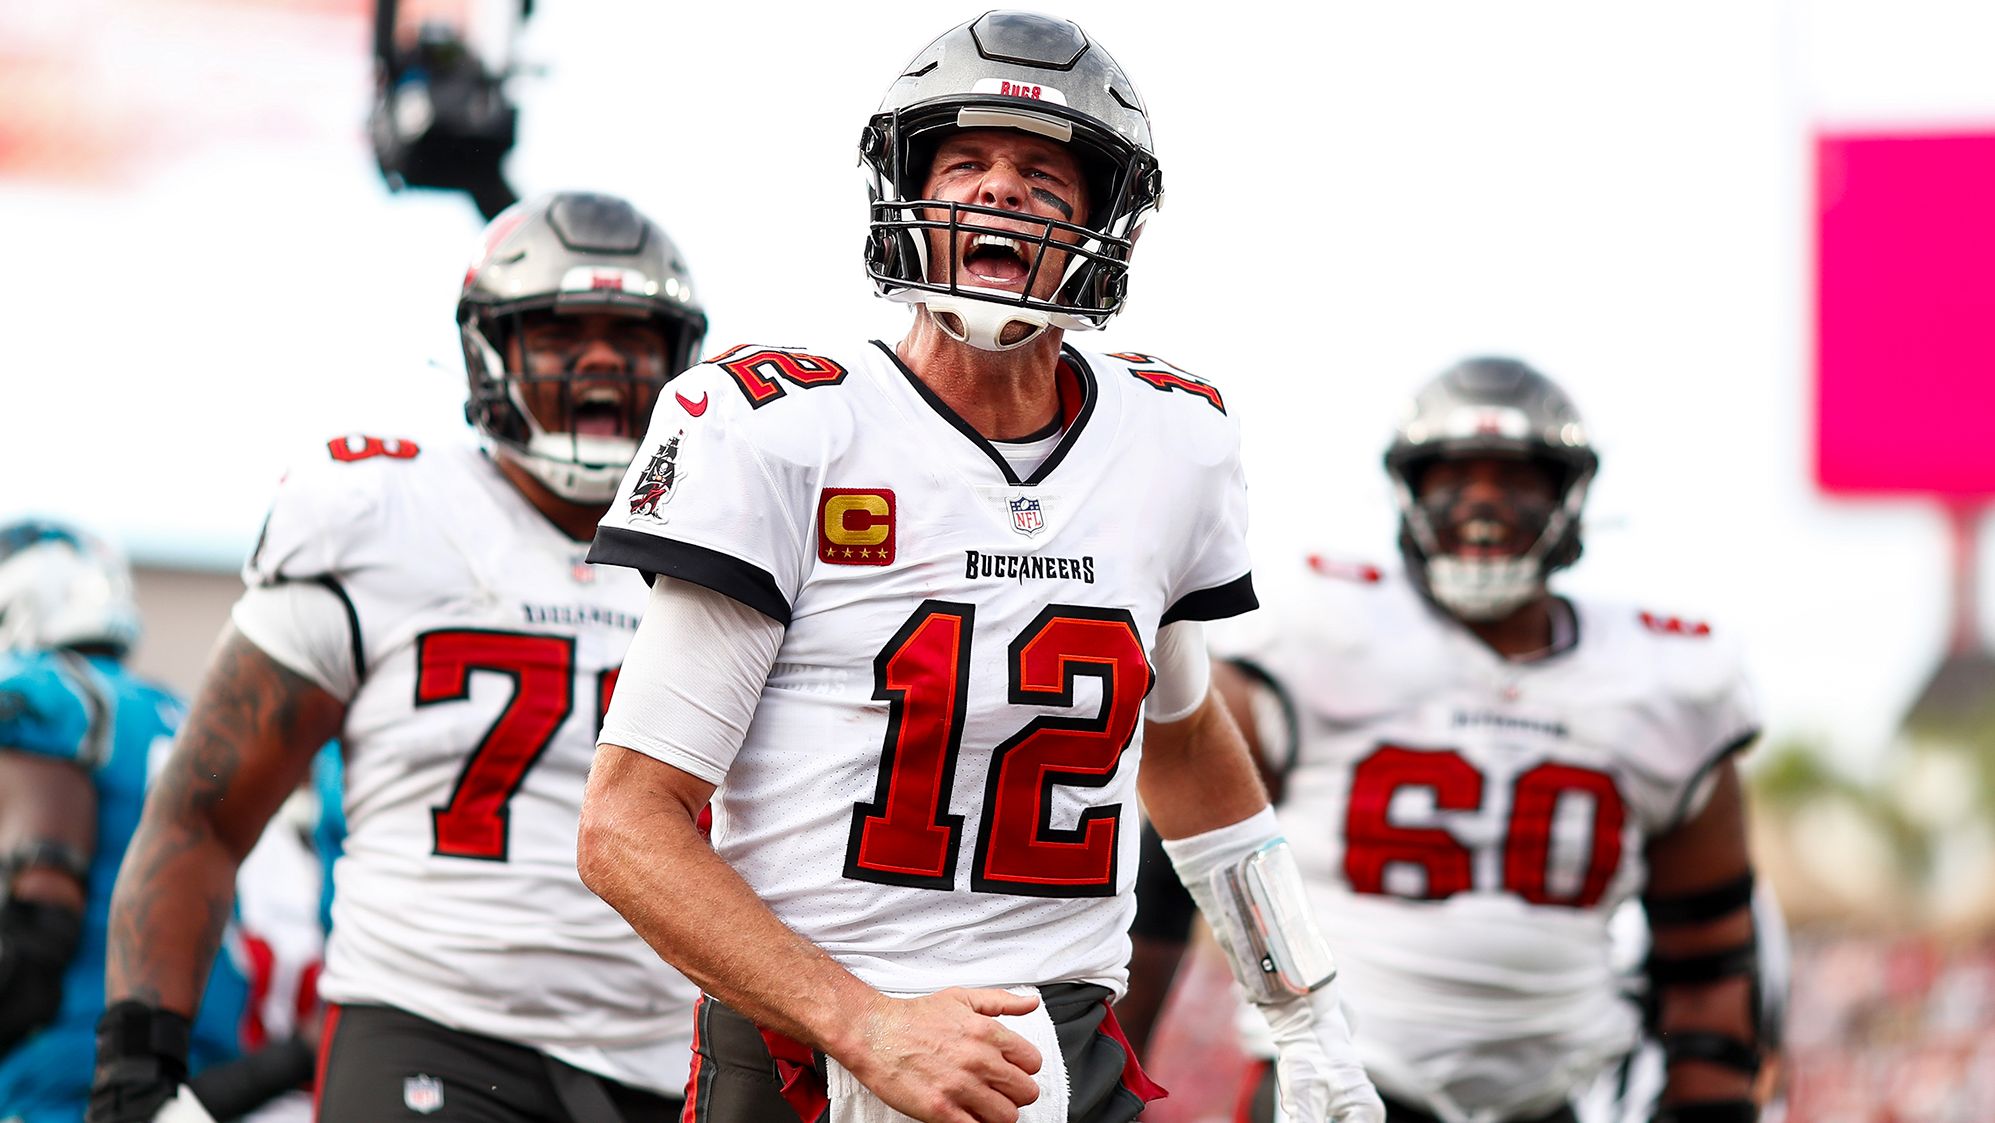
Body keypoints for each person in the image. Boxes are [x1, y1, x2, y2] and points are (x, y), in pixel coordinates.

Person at [576, 13, 1385, 1123]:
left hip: (1066, 1050)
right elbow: (627, 823)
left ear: (1110, 227)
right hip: (813, 1045)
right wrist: (865, 1021)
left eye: (1046, 174)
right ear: (906, 196)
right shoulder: (780, 427)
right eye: (967, 163)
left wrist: (1306, 1016)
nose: (1002, 189)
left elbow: (1188, 740)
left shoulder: (1170, 442)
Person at [88, 191, 711, 1123]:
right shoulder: (381, 514)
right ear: (489, 351)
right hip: (429, 1025)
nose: (600, 362)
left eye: (630, 337)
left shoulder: (732, 538)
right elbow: (200, 816)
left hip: (672, 1056)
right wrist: (136, 1066)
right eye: (560, 333)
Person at [1199, 358, 1766, 1123]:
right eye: (1454, 478)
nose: (1484, 507)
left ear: (1571, 495)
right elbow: (1174, 866)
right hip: (1331, 1090)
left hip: (1548, 1100)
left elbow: (1709, 960)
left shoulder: (1665, 680)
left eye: (1519, 479)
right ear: (1409, 487)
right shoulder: (1314, 633)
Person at [0, 521, 248, 1122]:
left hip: (68, 1066)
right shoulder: (181, 713)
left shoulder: (45, 696)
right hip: (195, 1063)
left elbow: (40, 921)